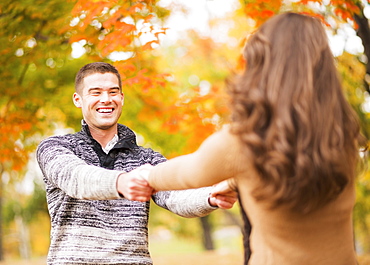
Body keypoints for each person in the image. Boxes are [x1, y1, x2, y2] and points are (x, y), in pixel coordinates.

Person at [129, 12, 363, 265]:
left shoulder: (244, 141)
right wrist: (236, 180)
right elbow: (299, 169)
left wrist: (147, 175)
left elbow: (188, 173)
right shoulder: (343, 137)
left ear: (262, 65)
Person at [36, 62, 238, 265]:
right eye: (95, 93)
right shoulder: (54, 148)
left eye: (113, 92)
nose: (106, 99)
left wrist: (211, 196)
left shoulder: (146, 160)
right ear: (78, 99)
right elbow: (75, 177)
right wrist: (120, 183)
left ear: (121, 98)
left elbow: (177, 196)